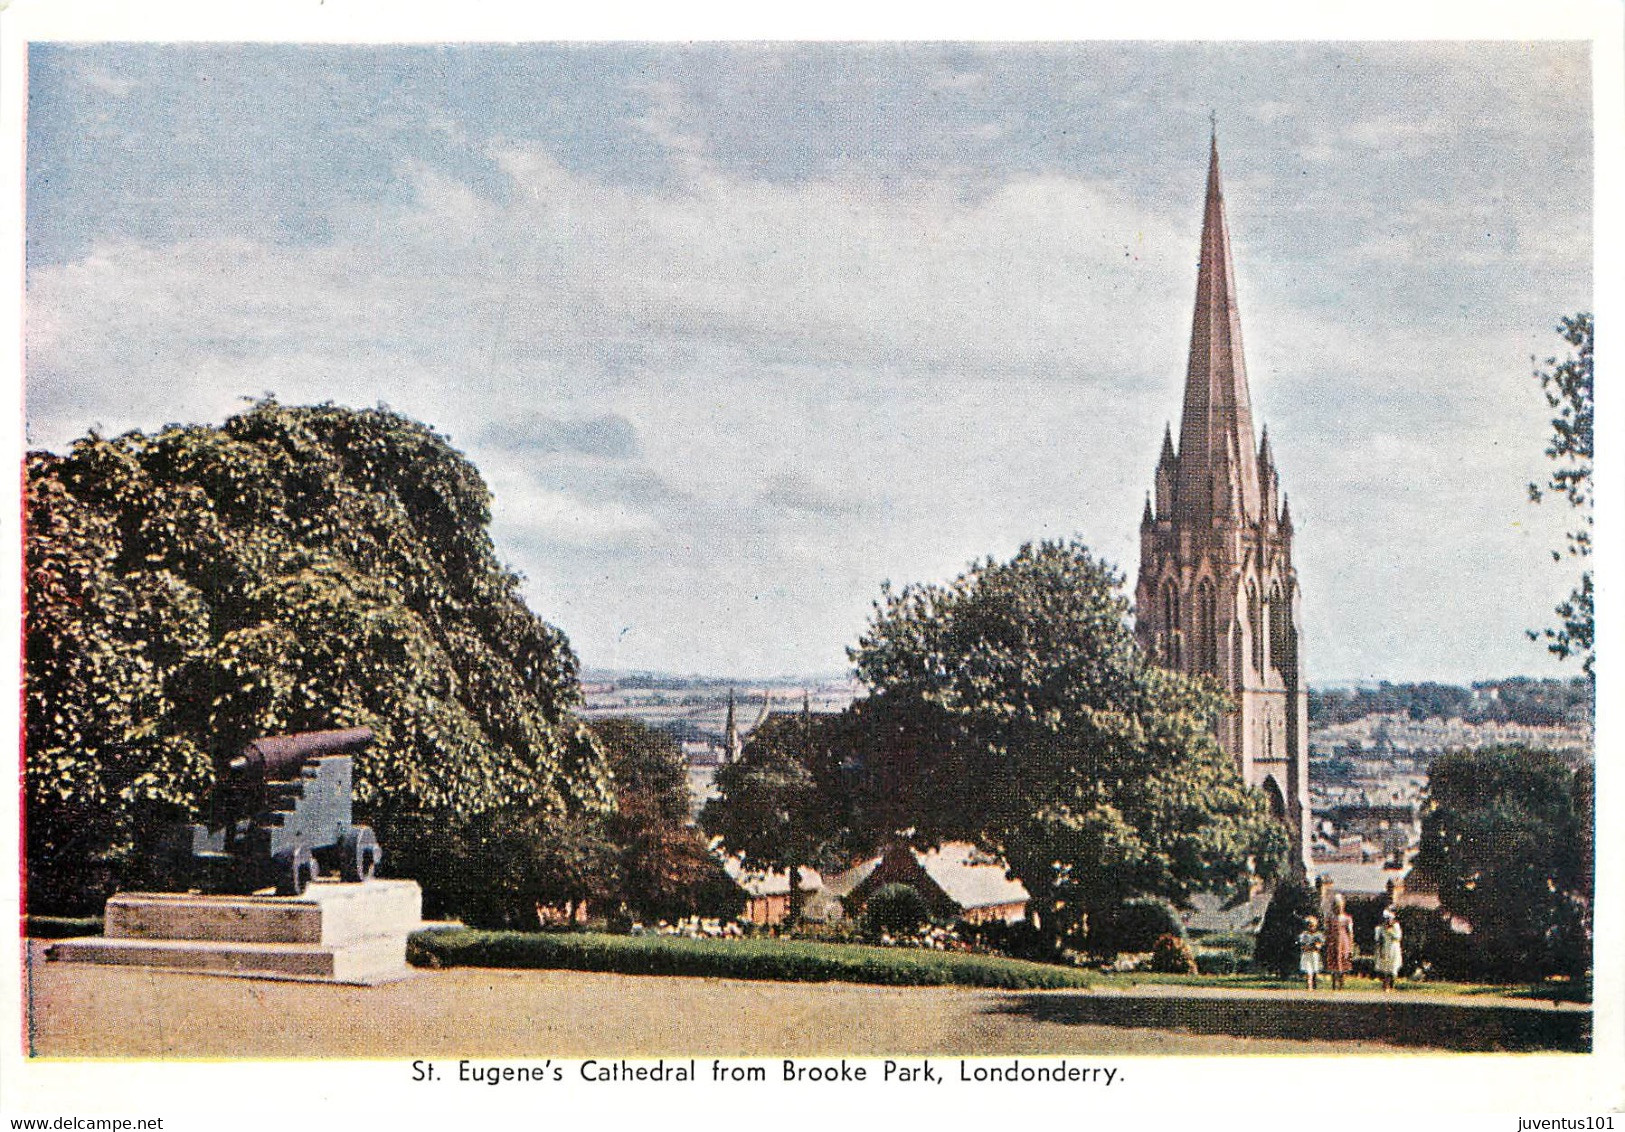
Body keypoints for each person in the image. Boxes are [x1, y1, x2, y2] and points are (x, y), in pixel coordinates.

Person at [1324, 893, 1354, 990]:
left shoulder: (1347, 918)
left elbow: (1350, 933)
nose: (1338, 908)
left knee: (1343, 962)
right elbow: (1327, 931)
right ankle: (1333, 985)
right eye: (1336, 906)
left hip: (1343, 942)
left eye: (1340, 905)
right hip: (1333, 942)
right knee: (1333, 963)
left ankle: (1341, 985)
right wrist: (1327, 941)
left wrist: (1350, 945)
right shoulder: (1330, 918)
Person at [1375, 908, 1403, 992]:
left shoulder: (1396, 927)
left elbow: (1398, 937)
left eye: (1389, 919)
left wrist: (1390, 931)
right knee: (1385, 969)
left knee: (1393, 968)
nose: (1388, 921)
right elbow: (1378, 940)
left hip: (1394, 949)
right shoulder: (1380, 929)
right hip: (1386, 949)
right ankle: (1385, 985)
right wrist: (1380, 951)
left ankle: (1392, 986)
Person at [1297, 915, 1325, 991]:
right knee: (1309, 971)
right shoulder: (1304, 935)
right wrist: (1310, 947)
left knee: (1315, 970)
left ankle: (1314, 985)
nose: (1311, 927)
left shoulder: (1318, 935)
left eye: (1313, 926)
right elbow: (1303, 946)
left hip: (1315, 955)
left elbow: (1319, 945)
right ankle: (1309, 986)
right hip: (1307, 955)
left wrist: (1316, 946)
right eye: (1309, 925)